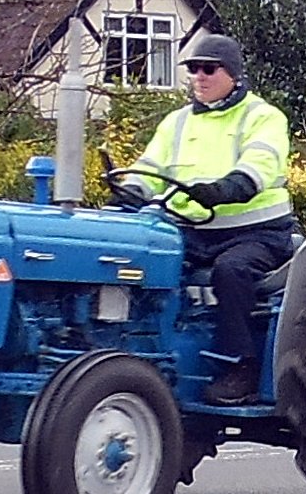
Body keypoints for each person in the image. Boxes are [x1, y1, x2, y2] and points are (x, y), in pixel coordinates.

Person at [122, 34, 294, 405]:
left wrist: (226, 188)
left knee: (231, 271)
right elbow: (150, 169)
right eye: (193, 69)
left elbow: (259, 167)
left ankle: (241, 368)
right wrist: (131, 190)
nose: (199, 76)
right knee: (143, 259)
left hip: (256, 232)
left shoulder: (262, 117)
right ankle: (147, 355)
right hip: (192, 231)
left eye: (208, 68)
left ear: (232, 73)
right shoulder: (177, 122)